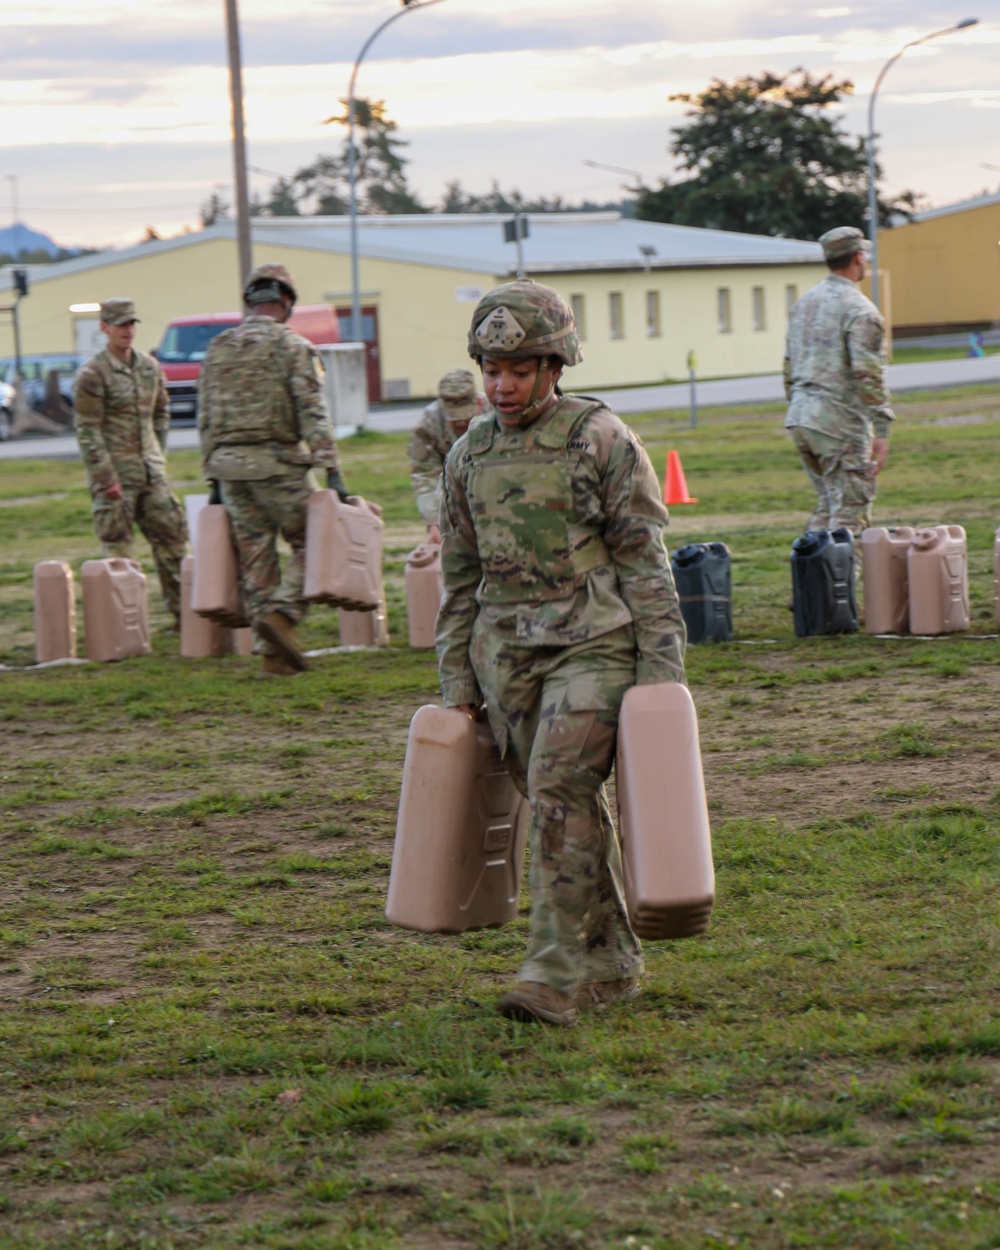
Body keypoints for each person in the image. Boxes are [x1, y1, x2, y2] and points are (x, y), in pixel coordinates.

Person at [435, 280, 688, 1026]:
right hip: (505, 659)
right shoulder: (467, 454)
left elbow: (644, 561)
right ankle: (611, 960)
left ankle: (550, 972)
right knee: (563, 806)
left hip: (594, 647)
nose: (502, 386)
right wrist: (456, 676)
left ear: (554, 366)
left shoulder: (601, 438)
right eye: (491, 370)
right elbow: (459, 577)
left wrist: (662, 672)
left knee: (555, 791)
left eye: (519, 370)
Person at [198, 263, 350, 677]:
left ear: (249, 302)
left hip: (230, 470)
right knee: (316, 540)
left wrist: (212, 476)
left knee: (256, 559)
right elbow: (312, 411)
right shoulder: (292, 346)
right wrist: (332, 470)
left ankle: (273, 657)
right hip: (277, 466)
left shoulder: (218, 348)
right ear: (286, 302)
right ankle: (282, 616)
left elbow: (205, 416)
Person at [73, 297, 189, 627]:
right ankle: (123, 627)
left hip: (150, 473)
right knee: (119, 553)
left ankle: (185, 616)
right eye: (120, 324)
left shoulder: (149, 367)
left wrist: (157, 455)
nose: (127, 330)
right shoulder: (94, 373)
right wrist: (105, 476)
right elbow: (87, 429)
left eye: (131, 324)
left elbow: (161, 413)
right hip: (116, 476)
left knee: (173, 540)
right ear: (104, 327)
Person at [784, 226, 895, 538]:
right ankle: (843, 572)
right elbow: (867, 375)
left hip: (802, 416)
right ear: (858, 258)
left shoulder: (804, 303)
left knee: (828, 505)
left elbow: (789, 367)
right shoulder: (860, 310)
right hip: (838, 422)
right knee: (850, 512)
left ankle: (811, 568)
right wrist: (882, 429)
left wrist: (800, 407)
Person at [407, 368, 488, 543]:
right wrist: (434, 522)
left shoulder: (495, 411)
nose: (461, 422)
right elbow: (425, 474)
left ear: (477, 403)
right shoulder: (428, 424)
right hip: (452, 492)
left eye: (466, 416)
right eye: (454, 417)